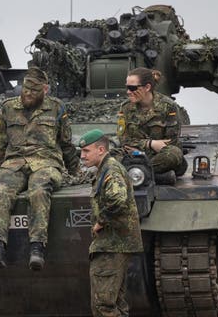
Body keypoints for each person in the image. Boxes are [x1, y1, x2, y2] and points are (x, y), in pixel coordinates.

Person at [0, 67, 79, 271]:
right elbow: (0, 144)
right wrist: (3, 167)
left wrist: (75, 170)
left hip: (46, 162)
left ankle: (37, 248)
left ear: (45, 90)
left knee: (39, 190)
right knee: (1, 191)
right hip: (14, 163)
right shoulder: (8, 107)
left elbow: (66, 143)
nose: (28, 94)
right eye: (25, 89)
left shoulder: (56, 108)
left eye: (34, 91)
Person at [79, 129, 143, 317]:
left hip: (112, 245)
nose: (82, 156)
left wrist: (101, 221)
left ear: (101, 149)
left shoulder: (111, 170)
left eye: (86, 151)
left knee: (103, 305)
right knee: (116, 304)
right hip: (115, 244)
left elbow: (118, 199)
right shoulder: (106, 169)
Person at [117, 67, 187, 180]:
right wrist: (150, 144)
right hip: (134, 155)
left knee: (174, 153)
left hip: (158, 157)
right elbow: (124, 140)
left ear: (147, 87)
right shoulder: (126, 107)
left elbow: (170, 142)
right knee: (110, 155)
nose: (128, 92)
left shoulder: (168, 106)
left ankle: (135, 173)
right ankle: (154, 175)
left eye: (132, 88)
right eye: (127, 87)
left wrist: (139, 146)